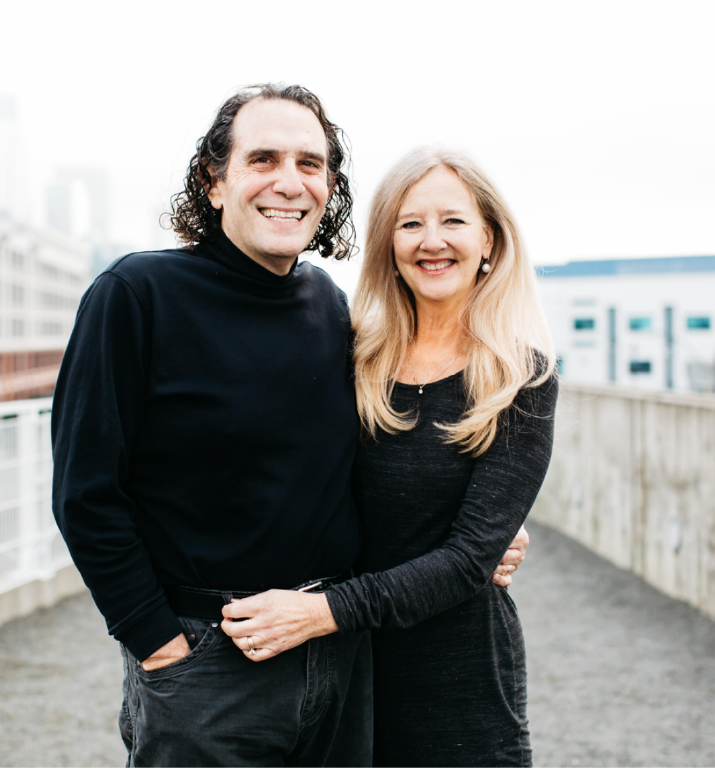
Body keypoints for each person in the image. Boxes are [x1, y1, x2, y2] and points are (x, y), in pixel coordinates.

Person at [52, 83, 527, 768]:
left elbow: (360, 461)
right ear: (214, 182)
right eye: (263, 158)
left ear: (329, 187)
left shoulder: (328, 306)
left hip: (340, 654)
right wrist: (159, 644)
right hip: (212, 659)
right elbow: (86, 492)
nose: (289, 182)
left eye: (310, 163)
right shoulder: (136, 296)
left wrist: (481, 526)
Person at [221, 147, 558, 767]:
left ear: (489, 239)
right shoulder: (351, 355)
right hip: (334, 674)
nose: (432, 241)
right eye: (410, 224)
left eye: (453, 221)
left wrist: (321, 612)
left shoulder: (521, 378)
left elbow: (464, 562)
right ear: (389, 246)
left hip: (459, 684)